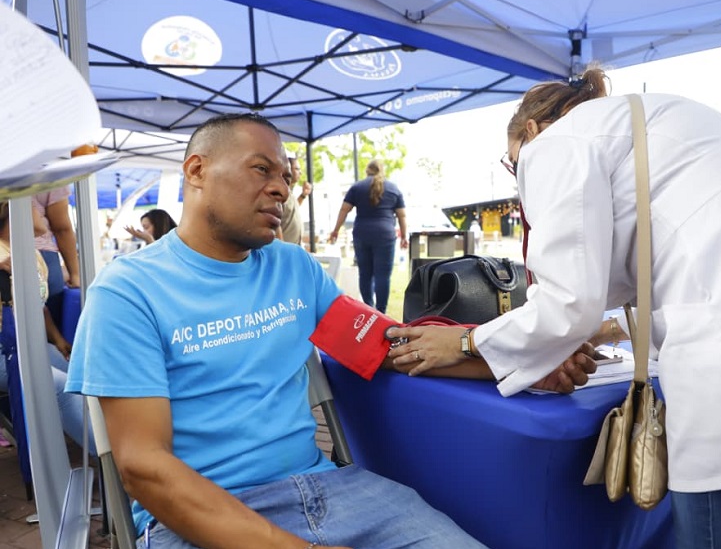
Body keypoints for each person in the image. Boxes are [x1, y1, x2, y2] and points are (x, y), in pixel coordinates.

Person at [386, 68, 721, 549]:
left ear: (530, 132)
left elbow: (569, 302)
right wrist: (596, 332)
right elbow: (670, 250)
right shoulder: (658, 119)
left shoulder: (555, 144)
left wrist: (464, 341)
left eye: (512, 164)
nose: (521, 178)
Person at [65, 113, 484, 549]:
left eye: (284, 176)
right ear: (197, 171)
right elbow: (144, 466)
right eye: (261, 169)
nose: (281, 188)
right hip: (199, 518)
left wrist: (503, 363)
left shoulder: (295, 268)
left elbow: (387, 348)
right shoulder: (128, 290)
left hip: (331, 491)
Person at [0, 201, 92, 451]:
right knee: (62, 387)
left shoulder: (32, 253)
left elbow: (40, 307)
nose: (40, 213)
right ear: (12, 210)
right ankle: (115, 465)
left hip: (29, 345)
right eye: (32, 206)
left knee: (82, 375)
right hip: (6, 351)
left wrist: (59, 340)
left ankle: (114, 446)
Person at [328, 160, 408, 313]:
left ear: (367, 171)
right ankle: (381, 311)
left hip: (362, 234)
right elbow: (402, 215)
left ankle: (368, 309)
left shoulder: (357, 187)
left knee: (365, 274)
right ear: (382, 170)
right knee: (383, 276)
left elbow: (344, 210)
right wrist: (404, 236)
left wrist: (336, 230)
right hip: (385, 235)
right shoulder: (393, 188)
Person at [32, 186, 80, 330]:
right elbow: (62, 228)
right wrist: (75, 274)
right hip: (42, 256)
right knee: (50, 338)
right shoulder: (48, 174)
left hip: (8, 253)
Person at [278, 149, 312, 245]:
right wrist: (282, 249)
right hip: (285, 251)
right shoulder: (280, 193)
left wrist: (303, 195)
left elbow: (292, 209)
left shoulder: (290, 192)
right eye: (297, 169)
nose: (300, 172)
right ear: (287, 168)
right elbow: (276, 224)